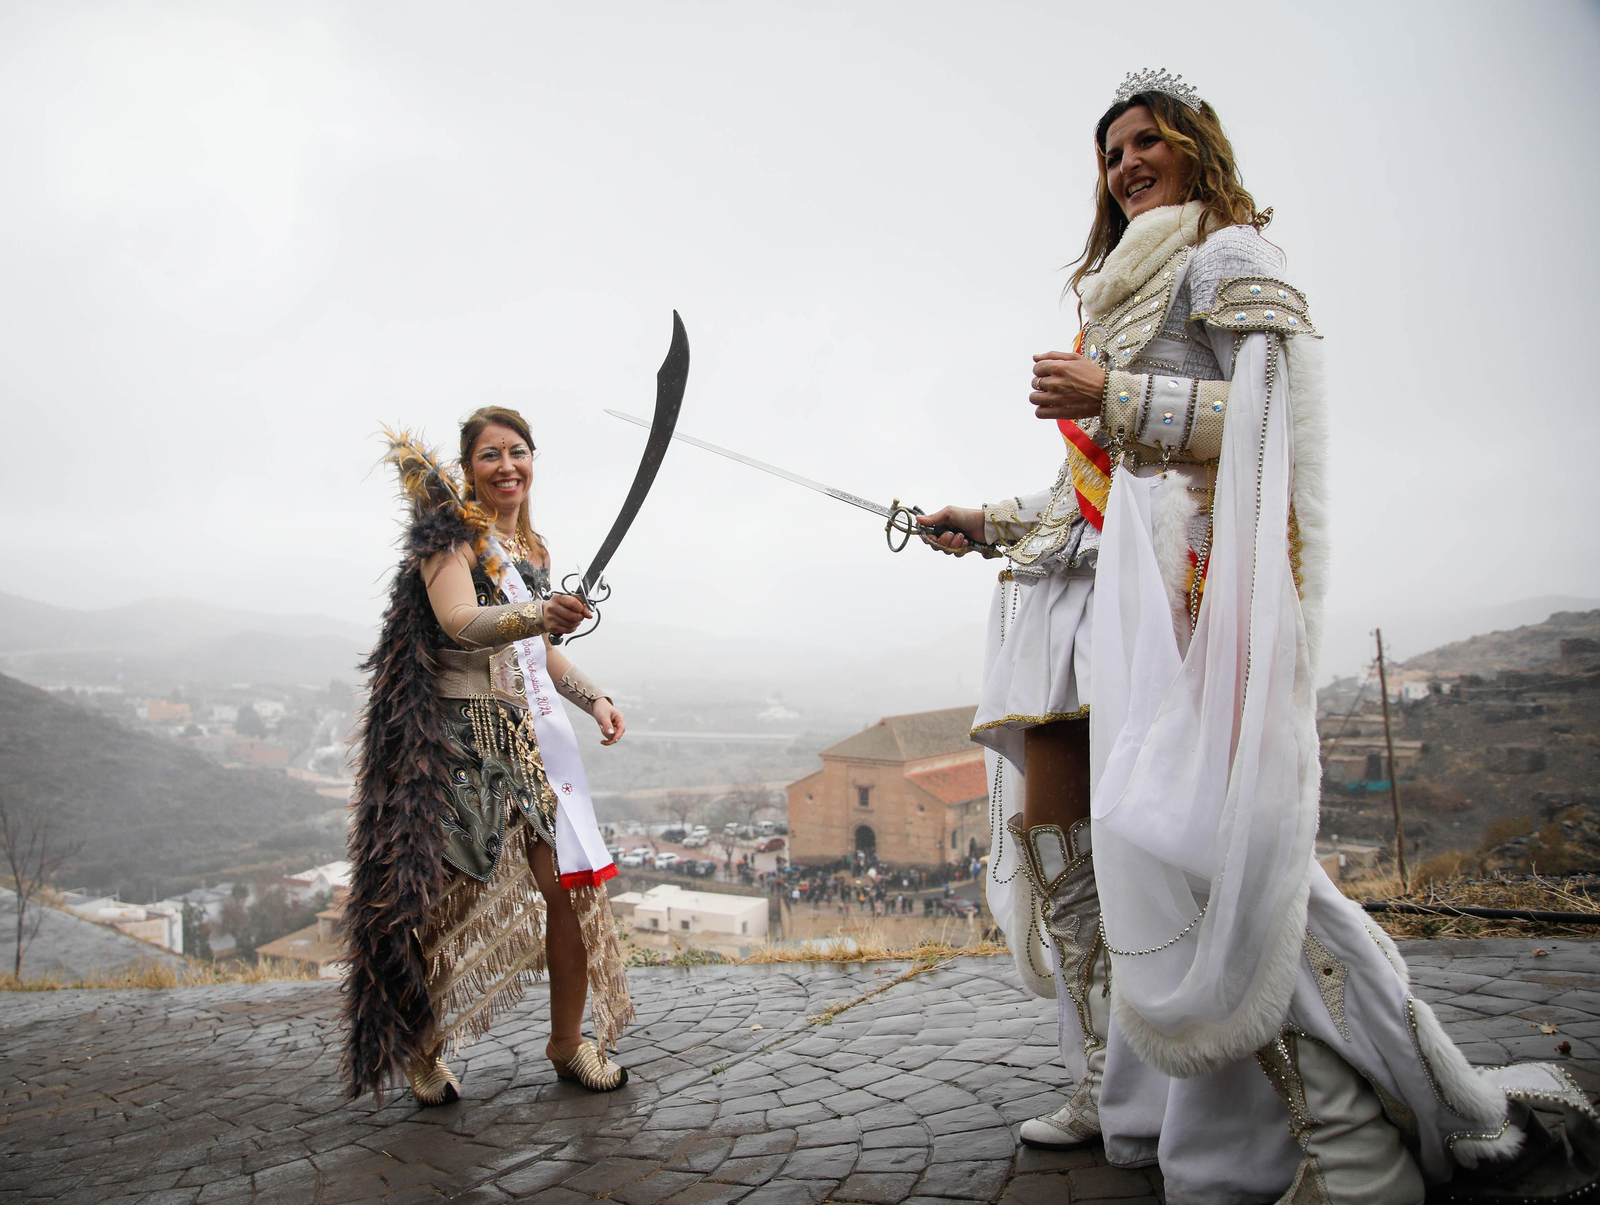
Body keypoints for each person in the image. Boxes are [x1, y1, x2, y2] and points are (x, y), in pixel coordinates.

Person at [920, 68, 1597, 1203]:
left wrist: (1114, 394)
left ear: (1195, 146)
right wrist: (983, 518)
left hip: (1202, 606)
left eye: (1147, 141)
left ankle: (1350, 1142)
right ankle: (1188, 1110)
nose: (1127, 163)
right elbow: (1094, 490)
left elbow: (1277, 422)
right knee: (1152, 858)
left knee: (1215, 854)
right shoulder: (1115, 292)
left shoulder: (1232, 258)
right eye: (1111, 151)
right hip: (1129, 611)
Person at [344, 406, 635, 1105]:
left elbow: (539, 656)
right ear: (467, 466)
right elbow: (459, 622)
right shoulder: (450, 537)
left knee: (568, 885)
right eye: (489, 454)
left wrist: (593, 696)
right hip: (448, 740)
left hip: (518, 735)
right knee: (443, 905)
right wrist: (538, 614)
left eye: (519, 451)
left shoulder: (529, 551)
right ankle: (421, 1045)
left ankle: (567, 1044)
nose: (508, 465)